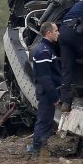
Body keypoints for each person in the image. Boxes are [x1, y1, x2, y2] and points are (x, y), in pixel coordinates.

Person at [27, 22, 61, 157]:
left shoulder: (48, 48)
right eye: (56, 30)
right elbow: (45, 78)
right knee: (43, 120)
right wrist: (54, 97)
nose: (58, 33)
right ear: (49, 33)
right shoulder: (43, 51)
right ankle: (37, 149)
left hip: (48, 92)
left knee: (46, 120)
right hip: (46, 93)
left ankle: (41, 148)